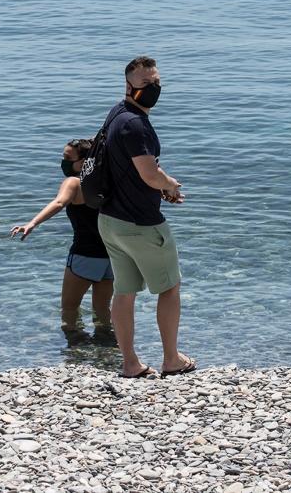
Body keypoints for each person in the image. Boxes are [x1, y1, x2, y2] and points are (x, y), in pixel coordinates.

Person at [97, 56, 195, 378]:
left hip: (110, 222)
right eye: (145, 84)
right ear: (128, 85)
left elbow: (138, 168)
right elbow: (150, 174)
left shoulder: (117, 115)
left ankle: (130, 364)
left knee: (124, 291)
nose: (152, 89)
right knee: (170, 288)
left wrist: (162, 185)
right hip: (141, 225)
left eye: (156, 83)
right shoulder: (135, 124)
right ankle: (171, 359)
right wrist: (168, 184)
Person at [11, 139, 116, 344]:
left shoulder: (74, 182)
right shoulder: (106, 181)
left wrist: (33, 223)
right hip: (111, 256)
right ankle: (107, 345)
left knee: (69, 308)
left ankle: (76, 347)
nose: (63, 162)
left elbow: (59, 202)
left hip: (84, 256)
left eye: (68, 158)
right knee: (102, 309)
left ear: (84, 162)